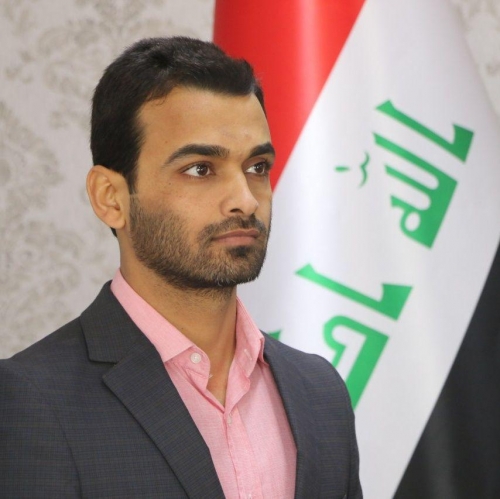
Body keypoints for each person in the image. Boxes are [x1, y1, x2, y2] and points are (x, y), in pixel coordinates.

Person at [0, 37, 362, 498]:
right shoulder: (33, 400)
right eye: (200, 169)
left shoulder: (320, 393)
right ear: (111, 198)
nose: (245, 200)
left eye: (257, 167)